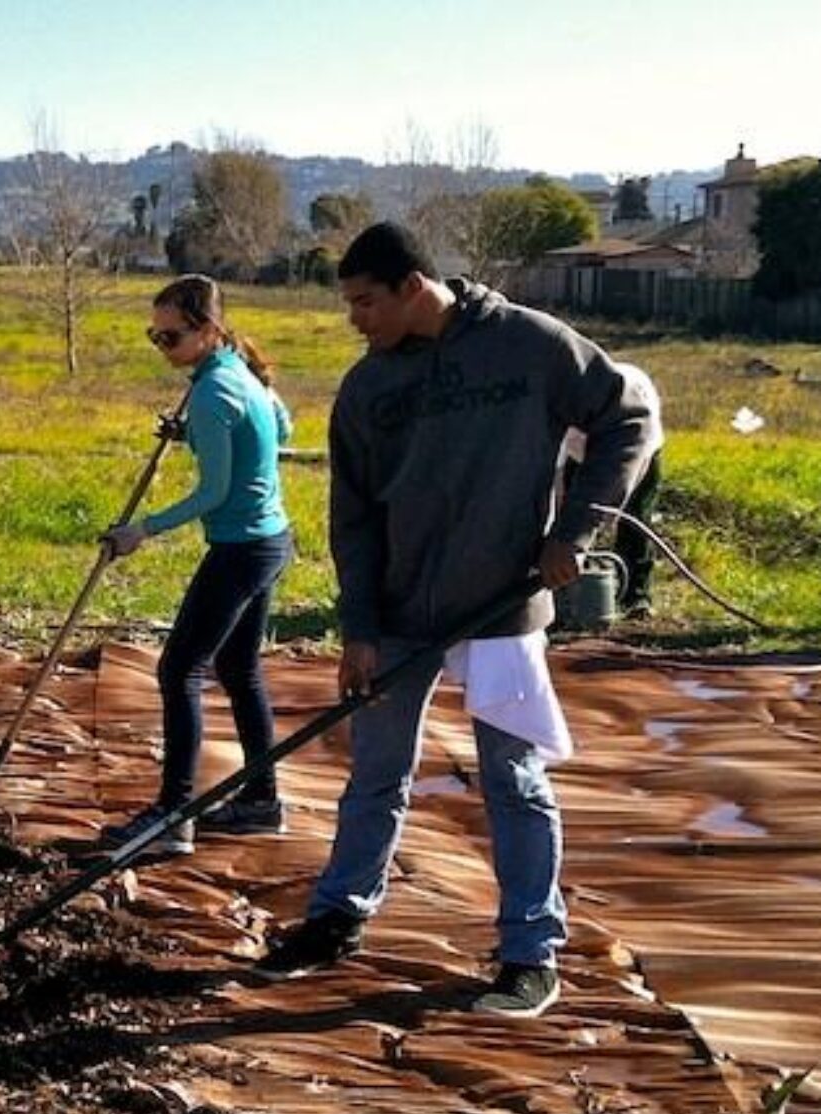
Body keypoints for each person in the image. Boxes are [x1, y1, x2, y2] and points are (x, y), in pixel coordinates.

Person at [254, 223, 653, 1018]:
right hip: (400, 612)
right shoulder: (368, 389)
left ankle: (530, 953)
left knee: (512, 778)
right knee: (374, 773)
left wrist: (574, 532)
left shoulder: (529, 347)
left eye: (366, 302)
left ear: (413, 286)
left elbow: (628, 418)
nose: (354, 319)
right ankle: (340, 915)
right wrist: (358, 628)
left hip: (500, 607)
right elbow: (354, 519)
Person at [96, 275, 295, 857]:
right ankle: (261, 802)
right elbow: (280, 426)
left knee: (178, 669)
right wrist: (194, 433)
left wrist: (141, 530)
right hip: (270, 540)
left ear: (207, 330)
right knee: (239, 670)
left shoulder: (213, 392)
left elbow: (213, 493)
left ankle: (173, 815)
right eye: (154, 336)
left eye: (172, 337)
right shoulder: (236, 372)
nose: (163, 348)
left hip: (240, 550)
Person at [561, 362, 665, 617]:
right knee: (567, 517)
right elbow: (554, 471)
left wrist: (610, 512)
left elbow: (636, 461)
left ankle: (638, 597)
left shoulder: (635, 405)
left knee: (636, 518)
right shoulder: (565, 402)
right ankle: (565, 595)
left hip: (638, 453)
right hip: (580, 455)